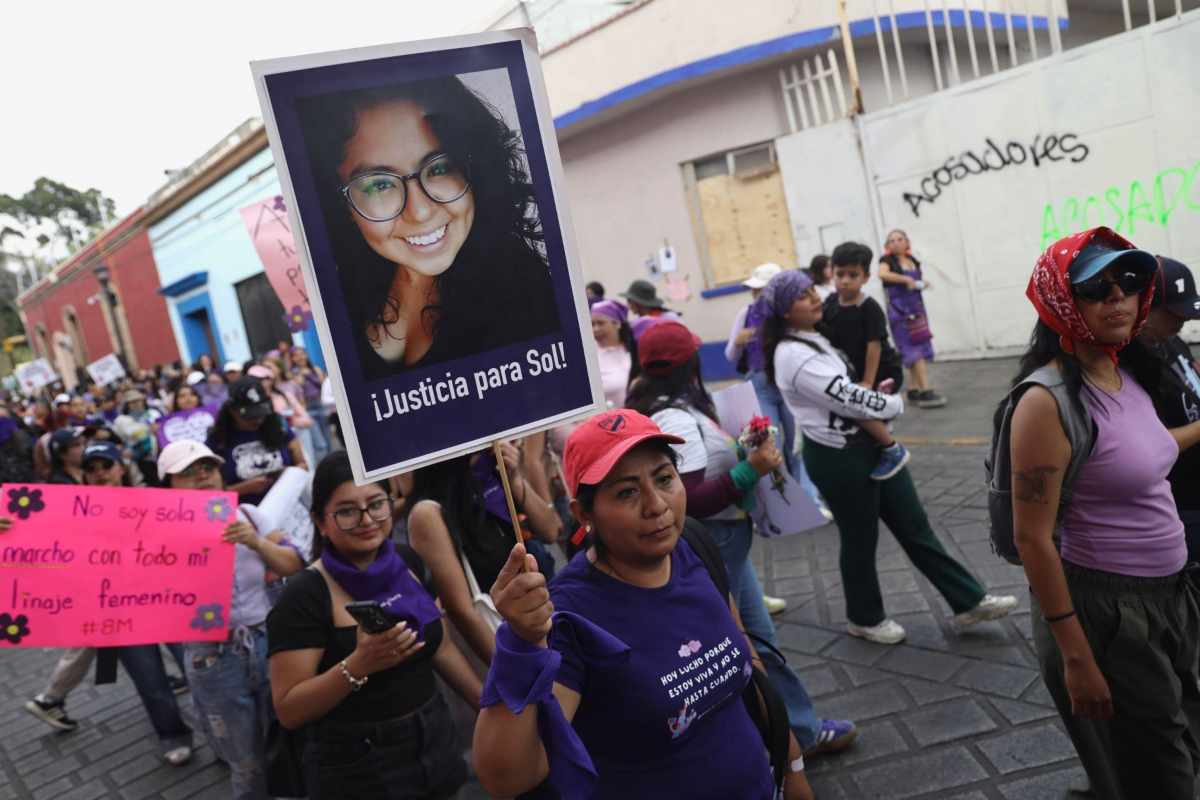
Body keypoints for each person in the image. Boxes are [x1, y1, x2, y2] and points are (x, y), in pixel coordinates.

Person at [473, 410, 814, 800]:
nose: (656, 505)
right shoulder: (567, 618)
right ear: (584, 514)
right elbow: (509, 777)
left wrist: (791, 764)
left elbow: (747, 662)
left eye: (665, 479)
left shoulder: (693, 547)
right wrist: (520, 642)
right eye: (627, 492)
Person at [1008, 229, 1200, 799]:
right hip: (1112, 613)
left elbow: (1147, 452)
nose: (1119, 298)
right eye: (1096, 288)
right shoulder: (1046, 402)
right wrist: (1076, 657)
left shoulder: (1124, 371)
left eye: (1131, 283)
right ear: (1062, 302)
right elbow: (1032, 539)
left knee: (1179, 737)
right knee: (1160, 769)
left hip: (1170, 595)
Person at [627, 320, 856, 756]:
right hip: (714, 541)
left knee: (760, 638)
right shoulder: (674, 414)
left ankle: (795, 732)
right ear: (689, 362)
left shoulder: (671, 405)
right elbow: (688, 498)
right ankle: (783, 738)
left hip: (726, 542)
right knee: (744, 644)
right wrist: (753, 467)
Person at [761, 269, 1016, 645]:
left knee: (915, 527)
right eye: (803, 295)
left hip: (871, 446)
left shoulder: (812, 339)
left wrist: (876, 397)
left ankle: (968, 601)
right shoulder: (792, 354)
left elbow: (847, 391)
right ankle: (864, 617)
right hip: (838, 458)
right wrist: (893, 403)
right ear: (784, 310)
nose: (815, 297)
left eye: (813, 289)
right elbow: (845, 398)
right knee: (860, 538)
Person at [296, 76, 559, 380]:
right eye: (379, 184)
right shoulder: (345, 294)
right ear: (338, 204)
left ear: (476, 170)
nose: (420, 211)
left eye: (440, 168)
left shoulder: (524, 291)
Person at [268, 451, 482, 800]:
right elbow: (289, 709)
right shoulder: (304, 596)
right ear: (321, 522)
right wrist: (359, 664)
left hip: (436, 743)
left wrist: (486, 703)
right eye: (347, 511)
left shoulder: (408, 561)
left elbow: (439, 646)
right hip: (358, 766)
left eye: (376, 504)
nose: (366, 519)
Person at [25, 440, 195, 764]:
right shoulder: (74, 514)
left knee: (195, 665)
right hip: (118, 610)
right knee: (151, 681)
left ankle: (222, 728)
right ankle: (172, 734)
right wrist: (10, 530)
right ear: (85, 477)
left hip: (168, 601)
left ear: (121, 467)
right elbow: (40, 543)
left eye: (106, 466)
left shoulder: (153, 502)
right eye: (92, 469)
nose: (100, 474)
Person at [158, 439, 304, 799]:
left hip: (269, 645)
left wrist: (256, 543)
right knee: (245, 762)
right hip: (213, 657)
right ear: (169, 485)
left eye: (207, 467)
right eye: (188, 473)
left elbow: (292, 563)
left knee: (283, 741)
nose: (202, 476)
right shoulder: (156, 536)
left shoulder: (251, 516)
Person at [407, 442, 564, 665]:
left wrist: (516, 479)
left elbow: (551, 530)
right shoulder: (428, 512)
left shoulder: (494, 471)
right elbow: (464, 611)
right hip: (513, 644)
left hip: (550, 620)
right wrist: (516, 672)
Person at [725, 262, 827, 506]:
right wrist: (740, 340)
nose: (756, 295)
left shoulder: (791, 314)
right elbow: (731, 355)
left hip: (790, 384)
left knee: (799, 445)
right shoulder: (746, 313)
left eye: (762, 289)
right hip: (761, 384)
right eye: (754, 290)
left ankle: (809, 500)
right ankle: (780, 504)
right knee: (768, 445)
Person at [822, 242, 913, 481]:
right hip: (855, 369)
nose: (845, 280)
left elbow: (874, 346)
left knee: (861, 407)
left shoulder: (868, 308)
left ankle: (891, 449)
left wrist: (867, 380)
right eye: (839, 274)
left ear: (865, 277)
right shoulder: (830, 303)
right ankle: (880, 441)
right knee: (861, 411)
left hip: (881, 369)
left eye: (853, 275)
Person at [1139, 256, 1200, 562]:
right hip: (1180, 504)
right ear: (1144, 307)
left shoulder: (1171, 341)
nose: (1183, 322)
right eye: (1174, 313)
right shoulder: (1134, 365)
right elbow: (1154, 444)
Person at [207, 376, 308, 505]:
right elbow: (211, 495)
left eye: (261, 414)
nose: (258, 420)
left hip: (289, 507)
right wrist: (244, 489)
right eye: (250, 416)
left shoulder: (279, 426)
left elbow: (303, 465)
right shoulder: (218, 440)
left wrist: (287, 475)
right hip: (244, 514)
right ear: (232, 411)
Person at [878, 229, 947, 408]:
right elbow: (882, 274)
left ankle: (913, 390)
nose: (896, 243)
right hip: (899, 312)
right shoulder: (886, 261)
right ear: (887, 246)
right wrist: (904, 279)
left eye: (899, 239)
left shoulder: (913, 261)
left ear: (907, 242)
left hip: (916, 309)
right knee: (912, 349)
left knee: (920, 346)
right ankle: (926, 390)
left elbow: (916, 282)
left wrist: (923, 284)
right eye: (891, 240)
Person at [589, 300, 638, 409]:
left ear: (617, 324)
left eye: (601, 323)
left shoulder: (633, 350)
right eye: (592, 324)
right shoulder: (590, 357)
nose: (595, 329)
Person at [290, 346, 331, 463]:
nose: (300, 357)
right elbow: (297, 392)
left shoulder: (316, 369)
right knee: (320, 444)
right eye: (296, 355)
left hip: (322, 406)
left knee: (328, 440)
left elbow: (324, 387)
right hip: (308, 409)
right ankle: (325, 467)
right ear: (292, 359)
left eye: (302, 354)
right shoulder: (293, 374)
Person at [113, 389, 161, 486]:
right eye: (132, 402)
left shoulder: (153, 414)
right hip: (136, 462)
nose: (136, 404)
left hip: (157, 458)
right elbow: (117, 440)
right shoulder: (121, 421)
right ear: (127, 405)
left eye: (138, 400)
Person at [156, 380, 218, 450]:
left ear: (198, 398)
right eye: (182, 396)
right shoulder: (163, 423)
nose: (188, 398)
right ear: (176, 401)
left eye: (192, 394)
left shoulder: (213, 414)